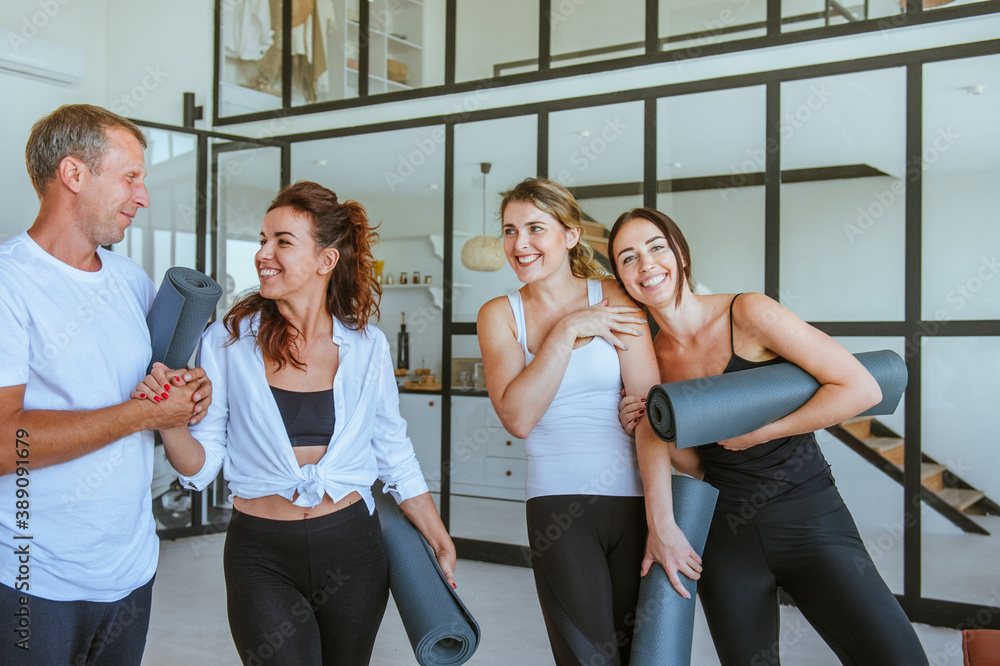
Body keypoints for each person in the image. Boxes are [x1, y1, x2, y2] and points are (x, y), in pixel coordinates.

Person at [134, 180, 456, 666]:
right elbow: (200, 468)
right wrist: (168, 418)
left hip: (353, 548)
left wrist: (435, 531)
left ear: (326, 261)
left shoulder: (367, 346)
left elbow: (393, 450)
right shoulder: (228, 342)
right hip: (260, 554)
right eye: (263, 239)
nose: (264, 253)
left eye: (282, 241)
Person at [610, 207, 929, 666]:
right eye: (628, 258)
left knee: (897, 657)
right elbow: (694, 461)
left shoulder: (749, 312)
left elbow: (861, 387)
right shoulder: (649, 356)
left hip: (811, 516)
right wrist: (648, 433)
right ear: (620, 277)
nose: (646, 265)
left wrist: (763, 431)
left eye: (656, 247)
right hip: (727, 535)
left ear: (679, 252)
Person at [0, 104, 211, 665]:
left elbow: (151, 385)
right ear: (74, 174)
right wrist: (143, 416)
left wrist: (188, 392)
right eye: (131, 177)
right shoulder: (8, 284)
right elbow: (3, 443)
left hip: (130, 569)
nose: (142, 196)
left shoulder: (130, 280)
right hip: (33, 576)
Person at [476, 178, 701, 666]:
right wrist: (569, 330)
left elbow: (650, 414)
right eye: (511, 230)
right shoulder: (500, 314)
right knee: (586, 657)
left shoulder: (619, 297)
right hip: (557, 507)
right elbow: (518, 415)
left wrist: (662, 520)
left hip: (636, 499)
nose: (521, 244)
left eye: (536, 228)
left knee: (641, 653)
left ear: (571, 235)